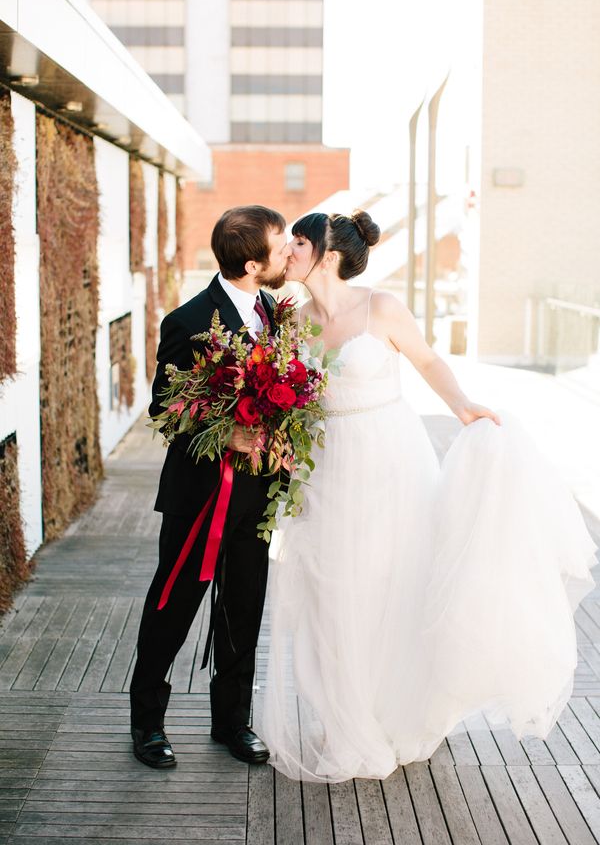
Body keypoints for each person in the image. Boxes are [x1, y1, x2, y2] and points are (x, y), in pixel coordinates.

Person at [256, 210, 597, 782]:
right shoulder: (291, 320)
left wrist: (464, 405)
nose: (287, 250)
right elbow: (287, 397)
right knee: (331, 591)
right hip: (326, 469)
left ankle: (395, 710)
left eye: (297, 241)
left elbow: (428, 360)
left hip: (390, 460)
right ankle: (348, 718)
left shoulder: (381, 308)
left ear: (328, 254)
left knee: (392, 582)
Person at [130, 205, 291, 769]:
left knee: (243, 611)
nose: (291, 252)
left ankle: (232, 723)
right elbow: (164, 412)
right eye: (281, 245)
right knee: (172, 608)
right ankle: (147, 724)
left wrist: (279, 437)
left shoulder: (274, 311)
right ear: (252, 263)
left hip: (258, 496)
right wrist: (230, 433)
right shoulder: (189, 320)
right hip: (201, 498)